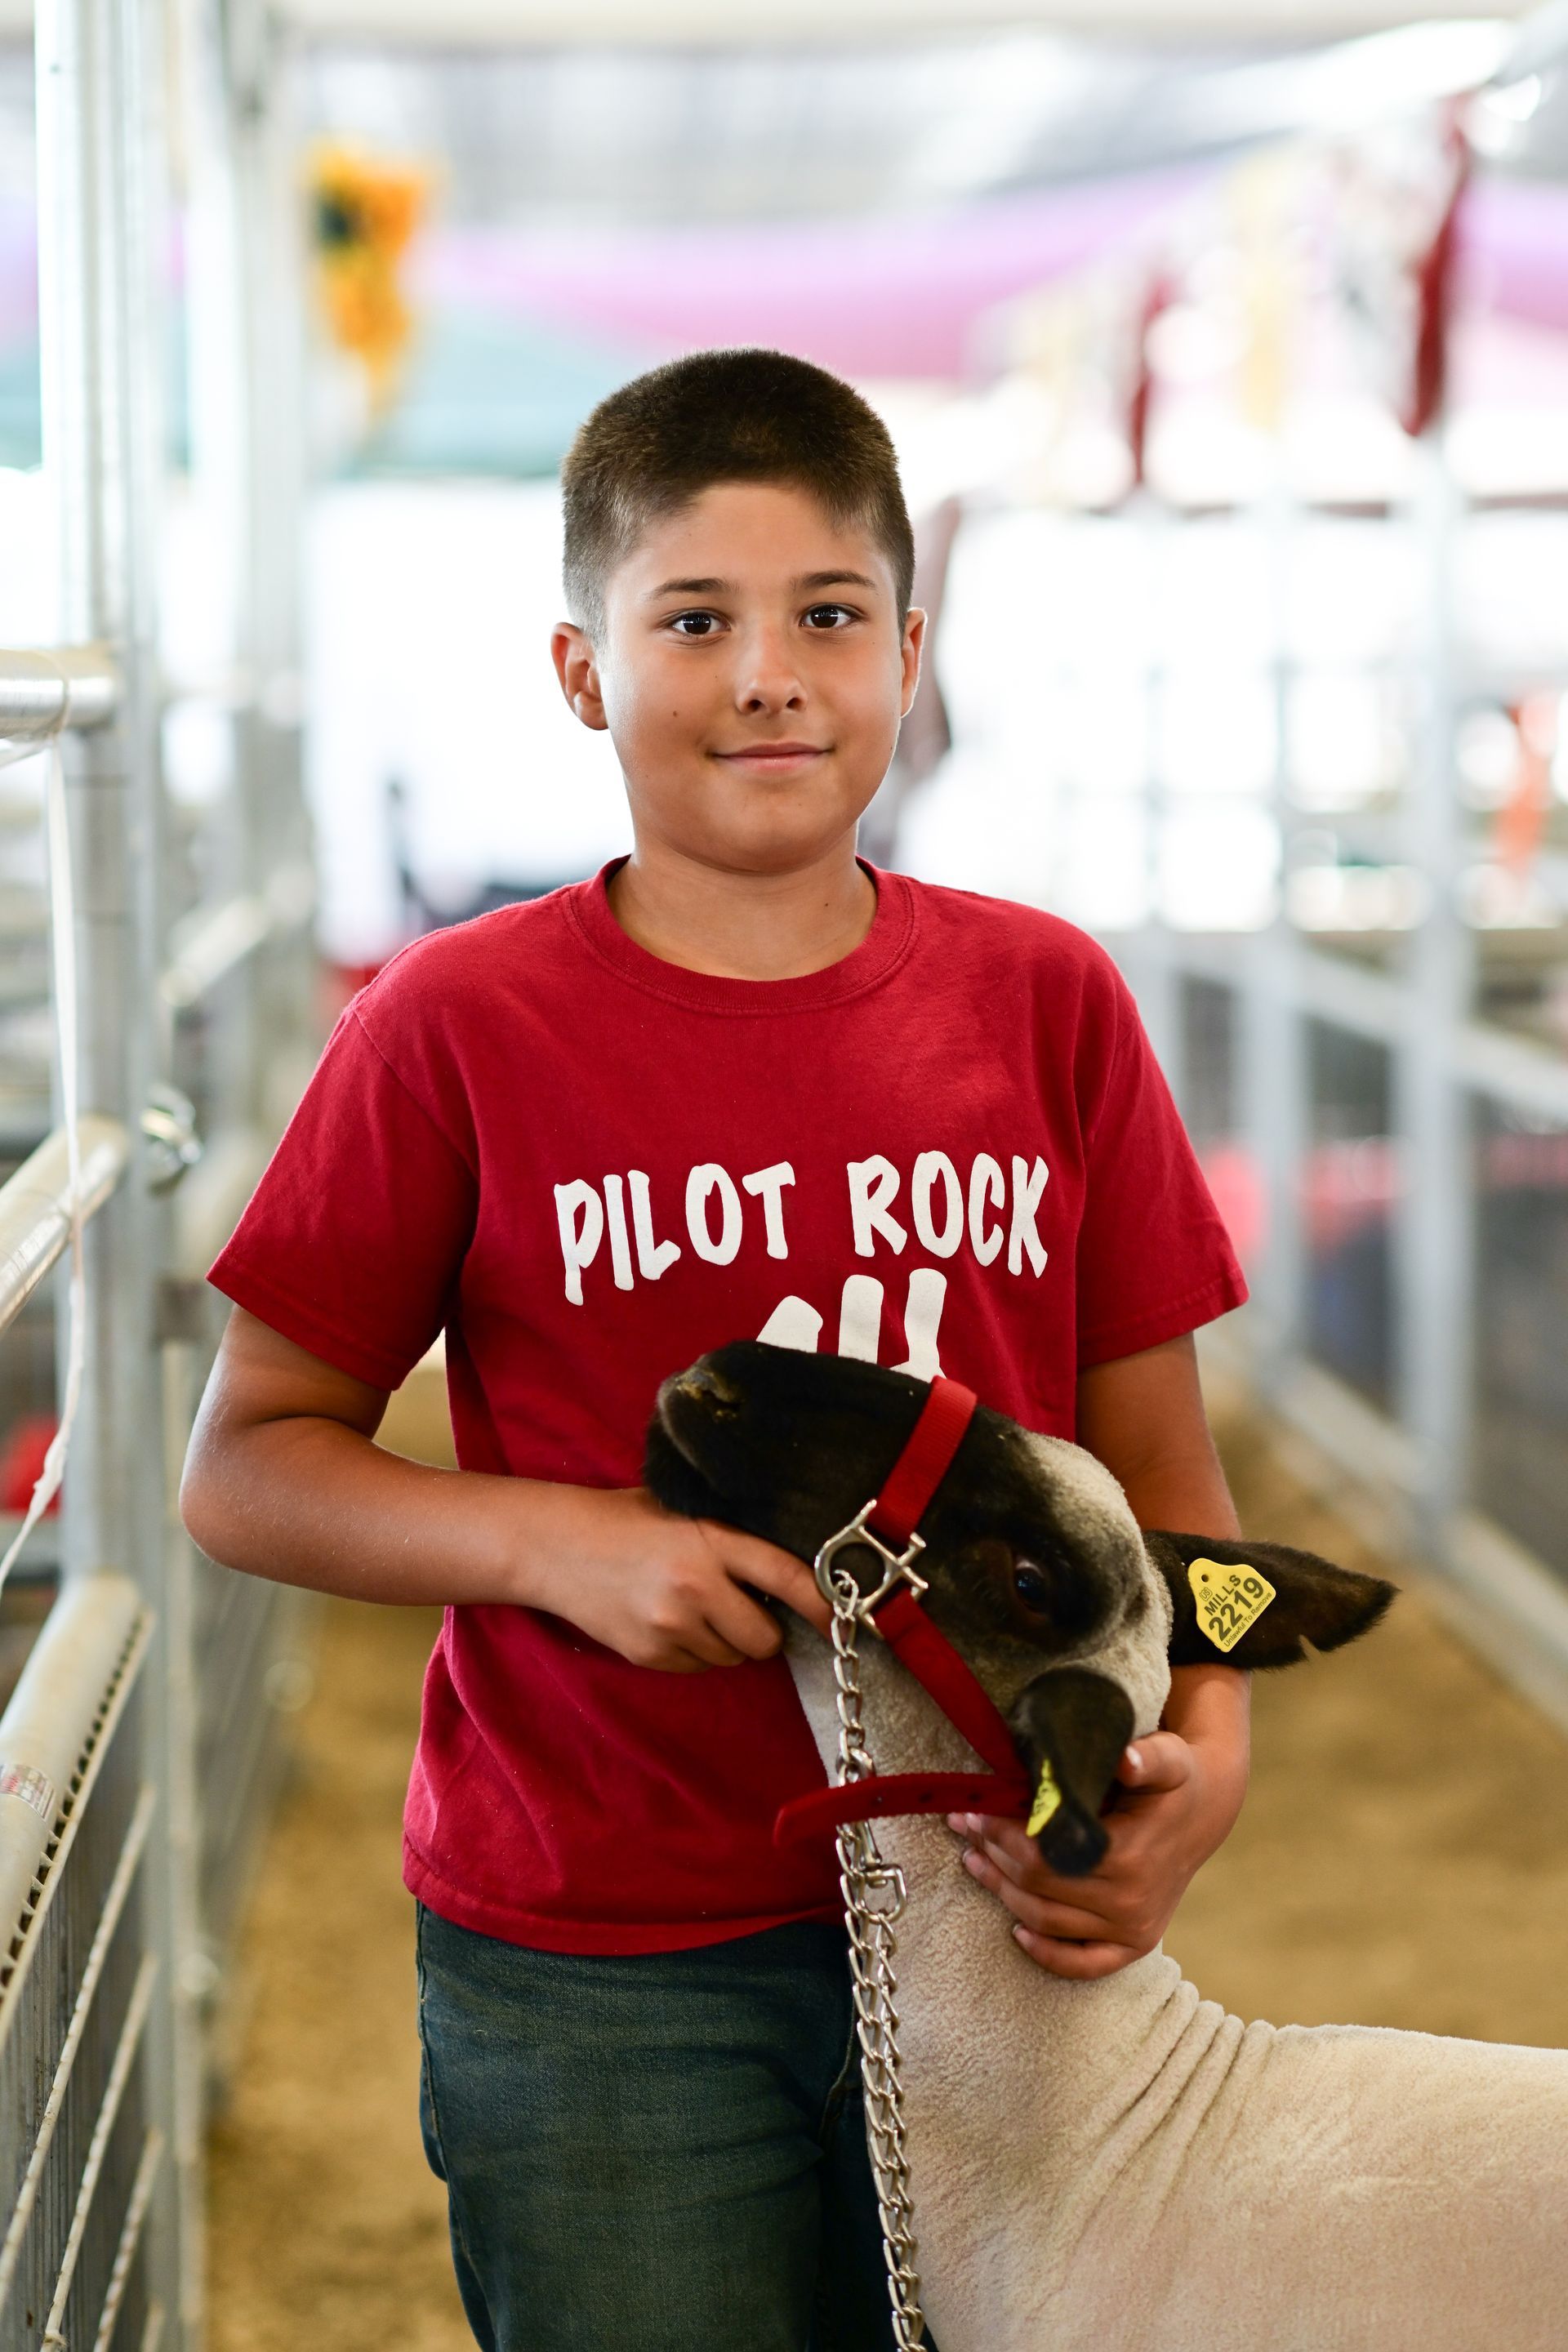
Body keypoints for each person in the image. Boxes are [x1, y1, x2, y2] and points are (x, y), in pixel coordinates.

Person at [180, 347, 1250, 2352]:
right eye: (695, 620)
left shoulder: (1048, 1004)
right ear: (583, 670)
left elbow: (1165, 1488)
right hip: (605, 1951)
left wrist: (1206, 1768)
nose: (771, 674)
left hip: (1000, 1916)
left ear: (908, 654)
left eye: (829, 616)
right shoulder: (454, 1026)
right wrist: (558, 1544)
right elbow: (248, 1462)